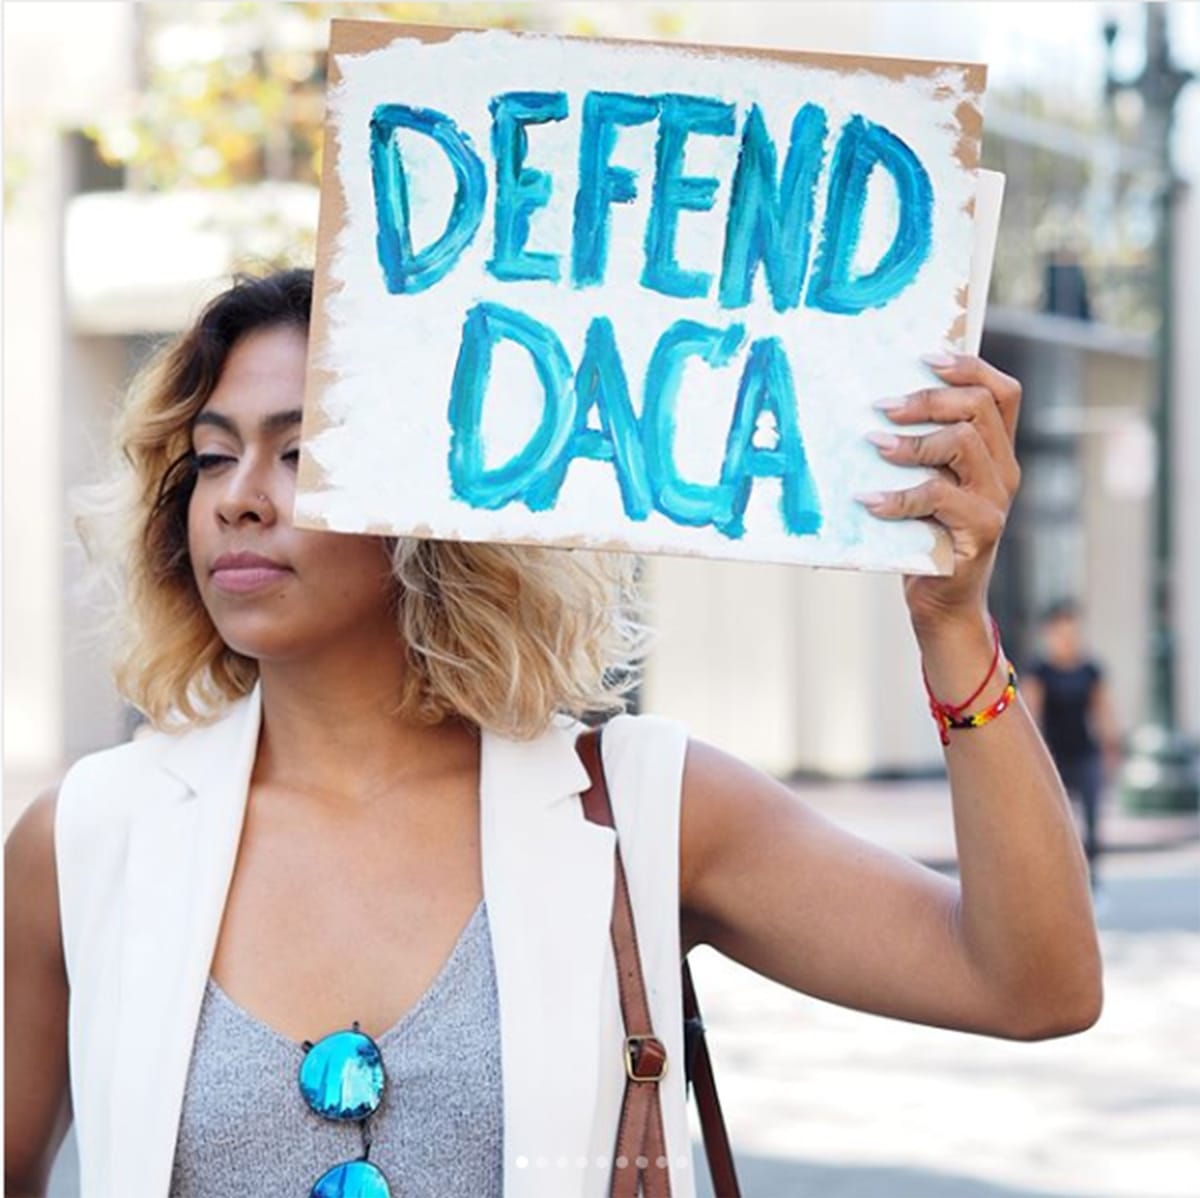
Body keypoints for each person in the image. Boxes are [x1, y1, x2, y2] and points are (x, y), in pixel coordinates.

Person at [5, 268, 1102, 1198]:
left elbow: (1032, 983)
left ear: (435, 491)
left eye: (301, 453)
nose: (239, 498)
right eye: (211, 455)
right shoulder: (86, 838)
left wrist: (952, 630)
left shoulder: (635, 801)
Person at [1024, 599, 1122, 889]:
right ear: (1049, 634)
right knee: (1054, 819)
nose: (1067, 637)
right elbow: (1032, 714)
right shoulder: (1039, 670)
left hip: (1085, 752)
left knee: (1092, 818)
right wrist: (1033, 757)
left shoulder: (1090, 669)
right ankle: (1057, 880)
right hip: (1053, 756)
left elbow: (1103, 710)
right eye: (1060, 631)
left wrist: (1111, 747)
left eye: (1072, 630)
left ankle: (1092, 879)